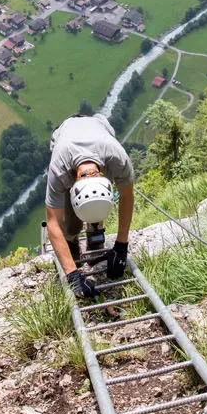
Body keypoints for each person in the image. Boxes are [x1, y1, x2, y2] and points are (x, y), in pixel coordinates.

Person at [45, 114, 135, 298]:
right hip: (65, 132)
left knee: (97, 204)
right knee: (71, 224)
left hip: (99, 127)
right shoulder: (59, 169)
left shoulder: (117, 158)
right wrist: (72, 275)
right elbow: (53, 222)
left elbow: (127, 196)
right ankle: (72, 241)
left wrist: (121, 245)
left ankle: (95, 238)